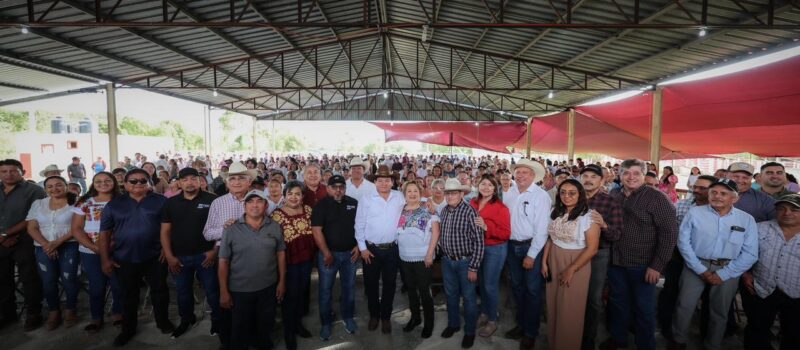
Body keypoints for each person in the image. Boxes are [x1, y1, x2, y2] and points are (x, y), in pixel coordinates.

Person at [671, 179, 758, 350]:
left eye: (723, 193)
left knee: (720, 310)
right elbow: (683, 243)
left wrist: (724, 274)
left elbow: (751, 253)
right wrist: (700, 269)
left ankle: (713, 345)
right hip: (695, 264)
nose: (717, 196)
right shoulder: (695, 213)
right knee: (684, 305)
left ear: (735, 198)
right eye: (714, 192)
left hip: (729, 268)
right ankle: (678, 340)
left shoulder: (746, 219)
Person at [603, 159, 677, 350]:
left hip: (644, 266)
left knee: (644, 308)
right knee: (618, 303)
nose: (631, 177)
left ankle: (645, 345)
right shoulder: (614, 194)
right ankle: (619, 338)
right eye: (626, 173)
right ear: (619, 175)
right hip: (616, 262)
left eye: (636, 173)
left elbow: (669, 235)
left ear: (644, 175)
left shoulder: (658, 198)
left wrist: (657, 266)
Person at [98, 168, 173, 346]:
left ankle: (163, 321)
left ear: (149, 183)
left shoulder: (161, 201)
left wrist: (166, 249)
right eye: (133, 181)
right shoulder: (113, 205)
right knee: (128, 295)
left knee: (160, 291)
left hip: (155, 256)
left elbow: (170, 227)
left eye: (142, 181)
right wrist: (105, 259)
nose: (138, 183)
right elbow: (104, 234)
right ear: (125, 184)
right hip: (124, 258)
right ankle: (128, 329)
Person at [218, 190, 286, 350]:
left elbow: (281, 254)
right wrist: (223, 291)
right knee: (240, 329)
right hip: (240, 290)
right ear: (244, 206)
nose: (255, 205)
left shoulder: (274, 226)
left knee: (265, 325)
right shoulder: (231, 229)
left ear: (266, 205)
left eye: (259, 201)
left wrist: (282, 281)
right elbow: (223, 261)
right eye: (250, 201)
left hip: (268, 287)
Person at [160, 168, 220, 339]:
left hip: (206, 256)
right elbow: (165, 231)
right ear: (179, 183)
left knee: (212, 291)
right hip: (179, 257)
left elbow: (221, 228)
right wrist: (169, 256)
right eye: (185, 179)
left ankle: (217, 322)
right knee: (183, 292)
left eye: (193, 178)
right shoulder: (171, 203)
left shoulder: (212, 200)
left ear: (200, 181)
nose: (190, 182)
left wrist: (214, 251)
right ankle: (187, 320)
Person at [542, 179, 600, 350]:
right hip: (554, 258)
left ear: (580, 194)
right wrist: (544, 262)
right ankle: (553, 343)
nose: (566, 196)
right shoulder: (556, 211)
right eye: (563, 192)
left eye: (572, 193)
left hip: (576, 262)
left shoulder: (589, 216)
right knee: (553, 304)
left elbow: (592, 249)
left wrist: (571, 269)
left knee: (569, 308)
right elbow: (551, 238)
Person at [657, 175, 717, 341]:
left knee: (709, 299)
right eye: (695, 186)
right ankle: (668, 329)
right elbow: (670, 231)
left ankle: (707, 334)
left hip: (706, 260)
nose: (696, 190)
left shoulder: (719, 209)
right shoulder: (681, 205)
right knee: (671, 293)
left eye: (702, 188)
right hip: (678, 257)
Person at [203, 162, 254, 348]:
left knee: (248, 300)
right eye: (233, 178)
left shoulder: (257, 201)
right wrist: (224, 229)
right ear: (227, 183)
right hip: (225, 258)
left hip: (252, 258)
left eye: (241, 178)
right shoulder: (218, 202)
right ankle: (227, 340)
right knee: (225, 299)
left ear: (249, 182)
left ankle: (248, 337)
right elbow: (207, 233)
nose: (237, 182)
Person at [502, 159, 551, 350]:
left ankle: (531, 332)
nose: (521, 175)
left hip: (531, 247)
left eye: (525, 172)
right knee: (517, 288)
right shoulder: (511, 192)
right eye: (518, 172)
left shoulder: (541, 196)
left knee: (532, 291)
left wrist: (531, 255)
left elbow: (542, 229)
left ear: (533, 176)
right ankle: (521, 325)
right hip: (512, 246)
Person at [742, 194, 800, 350]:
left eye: (794, 209)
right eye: (782, 208)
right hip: (762, 287)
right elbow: (743, 252)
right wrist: (745, 273)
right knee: (756, 330)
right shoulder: (760, 228)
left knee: (794, 334)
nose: (787, 213)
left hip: (796, 292)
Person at [355, 165, 405, 334]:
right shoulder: (366, 199)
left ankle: (385, 317)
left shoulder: (399, 197)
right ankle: (374, 315)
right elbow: (359, 225)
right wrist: (362, 248)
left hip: (392, 249)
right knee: (371, 284)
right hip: (371, 250)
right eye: (380, 180)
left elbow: (414, 206)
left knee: (390, 284)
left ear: (392, 182)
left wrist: (429, 204)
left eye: (387, 180)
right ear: (375, 182)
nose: (384, 183)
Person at [71, 171, 123, 333]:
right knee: (97, 286)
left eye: (107, 180)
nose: (103, 183)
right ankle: (96, 317)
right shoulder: (84, 202)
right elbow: (76, 228)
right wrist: (95, 248)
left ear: (114, 182)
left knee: (118, 284)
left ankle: (118, 313)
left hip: (118, 249)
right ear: (93, 184)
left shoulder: (122, 201)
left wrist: (110, 247)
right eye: (98, 181)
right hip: (90, 251)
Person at [26, 176, 80, 330]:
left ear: (66, 186)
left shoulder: (77, 202)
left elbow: (78, 226)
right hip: (43, 247)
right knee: (48, 280)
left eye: (58, 185)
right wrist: (47, 245)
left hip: (69, 245)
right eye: (49, 186)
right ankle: (54, 311)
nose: (54, 189)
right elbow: (31, 227)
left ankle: (70, 310)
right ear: (45, 189)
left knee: (69, 278)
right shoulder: (38, 204)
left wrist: (57, 243)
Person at [579, 164, 624, 350]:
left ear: (602, 180)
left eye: (593, 177)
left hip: (598, 255)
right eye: (585, 176)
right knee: (573, 295)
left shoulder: (610, 202)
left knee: (593, 299)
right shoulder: (572, 196)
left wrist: (604, 225)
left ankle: (588, 340)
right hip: (572, 252)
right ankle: (570, 333)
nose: (588, 180)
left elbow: (617, 235)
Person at [311, 175, 360, 340]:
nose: (338, 190)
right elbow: (316, 231)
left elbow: (361, 226)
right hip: (328, 256)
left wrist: (358, 246)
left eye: (341, 187)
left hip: (350, 255)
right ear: (328, 188)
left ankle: (348, 317)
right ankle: (326, 323)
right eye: (334, 187)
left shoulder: (353, 203)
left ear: (345, 188)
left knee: (349, 288)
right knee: (325, 290)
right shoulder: (321, 206)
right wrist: (326, 253)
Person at [438, 178, 484, 349]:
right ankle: (453, 324)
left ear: (461, 194)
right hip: (447, 261)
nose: (450, 196)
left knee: (469, 298)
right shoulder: (444, 210)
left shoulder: (470, 212)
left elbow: (479, 242)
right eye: (447, 193)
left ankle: (470, 332)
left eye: (453, 193)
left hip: (465, 262)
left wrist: (473, 267)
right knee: (450, 295)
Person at [0, 159, 46, 331]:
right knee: (2, 279)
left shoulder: (35, 190)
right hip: (1, 241)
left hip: (25, 240)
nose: (8, 174)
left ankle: (34, 314)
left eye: (13, 171)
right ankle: (7, 314)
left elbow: (33, 217)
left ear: (23, 172)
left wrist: (8, 234)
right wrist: (2, 237)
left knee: (29, 278)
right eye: (4, 171)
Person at [271, 181, 316, 349]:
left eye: (297, 194)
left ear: (302, 196)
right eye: (290, 194)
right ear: (284, 196)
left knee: (301, 294)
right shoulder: (276, 215)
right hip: (288, 263)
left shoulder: (308, 210)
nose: (294, 197)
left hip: (306, 261)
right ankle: (289, 333)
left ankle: (298, 325)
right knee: (289, 298)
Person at [396, 180, 440, 338]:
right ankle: (415, 318)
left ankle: (429, 323)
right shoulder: (400, 209)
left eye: (415, 191)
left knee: (424, 291)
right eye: (409, 191)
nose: (412, 194)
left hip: (423, 258)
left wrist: (429, 254)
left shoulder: (428, 209)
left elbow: (436, 232)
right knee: (411, 290)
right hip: (405, 256)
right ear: (404, 194)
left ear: (420, 193)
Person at [469, 174, 510, 338]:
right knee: (481, 283)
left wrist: (486, 227)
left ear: (495, 189)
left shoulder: (501, 208)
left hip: (495, 249)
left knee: (490, 285)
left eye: (490, 185)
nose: (486, 187)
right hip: (477, 248)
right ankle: (485, 312)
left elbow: (506, 234)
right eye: (483, 184)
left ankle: (493, 319)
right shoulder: (473, 203)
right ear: (478, 186)